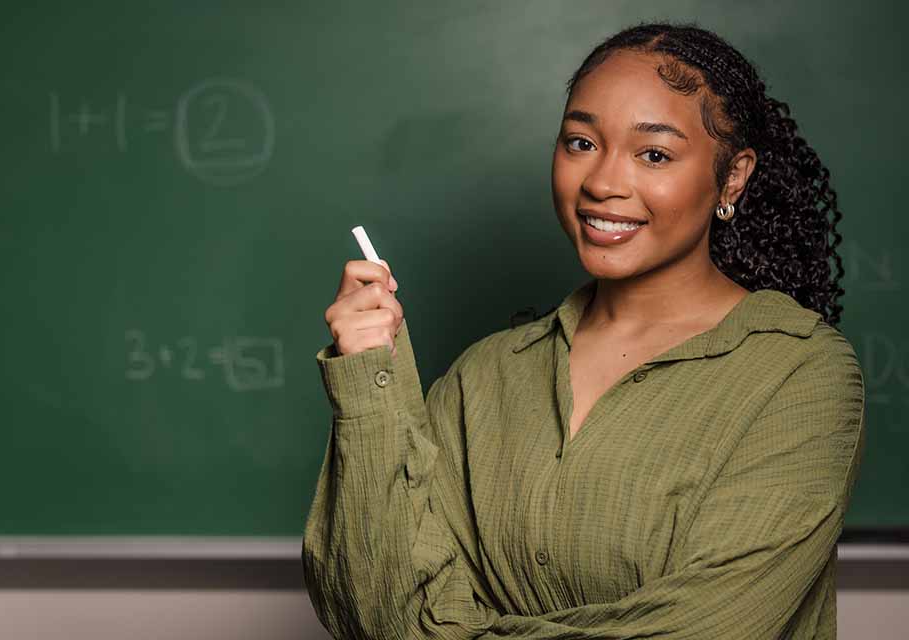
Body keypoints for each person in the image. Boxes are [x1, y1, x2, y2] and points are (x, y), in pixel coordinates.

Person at [303, 20, 866, 640]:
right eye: (580, 143)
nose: (602, 182)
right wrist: (367, 378)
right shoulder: (486, 375)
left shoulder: (801, 372)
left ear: (732, 178)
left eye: (654, 154)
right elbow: (379, 613)